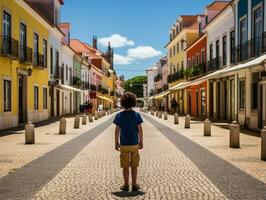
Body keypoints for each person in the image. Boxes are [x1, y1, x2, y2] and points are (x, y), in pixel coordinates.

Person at [113, 92, 144, 192]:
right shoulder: (137, 115)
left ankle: (126, 185)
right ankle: (134, 185)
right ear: (133, 102)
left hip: (124, 145)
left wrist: (116, 142)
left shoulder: (119, 115)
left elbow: (117, 130)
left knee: (125, 166)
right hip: (134, 144)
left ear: (122, 102)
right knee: (134, 166)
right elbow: (140, 129)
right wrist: (141, 141)